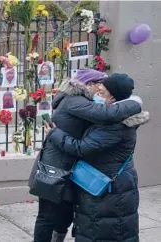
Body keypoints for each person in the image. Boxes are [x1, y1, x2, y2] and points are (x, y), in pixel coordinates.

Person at [30, 70, 142, 242]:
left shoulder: (109, 121)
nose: (98, 92)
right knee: (48, 217)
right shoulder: (76, 102)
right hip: (56, 168)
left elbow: (92, 136)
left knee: (64, 216)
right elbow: (105, 115)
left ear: (113, 97)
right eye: (98, 86)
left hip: (75, 171)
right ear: (89, 84)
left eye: (102, 90)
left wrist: (133, 102)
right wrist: (135, 103)